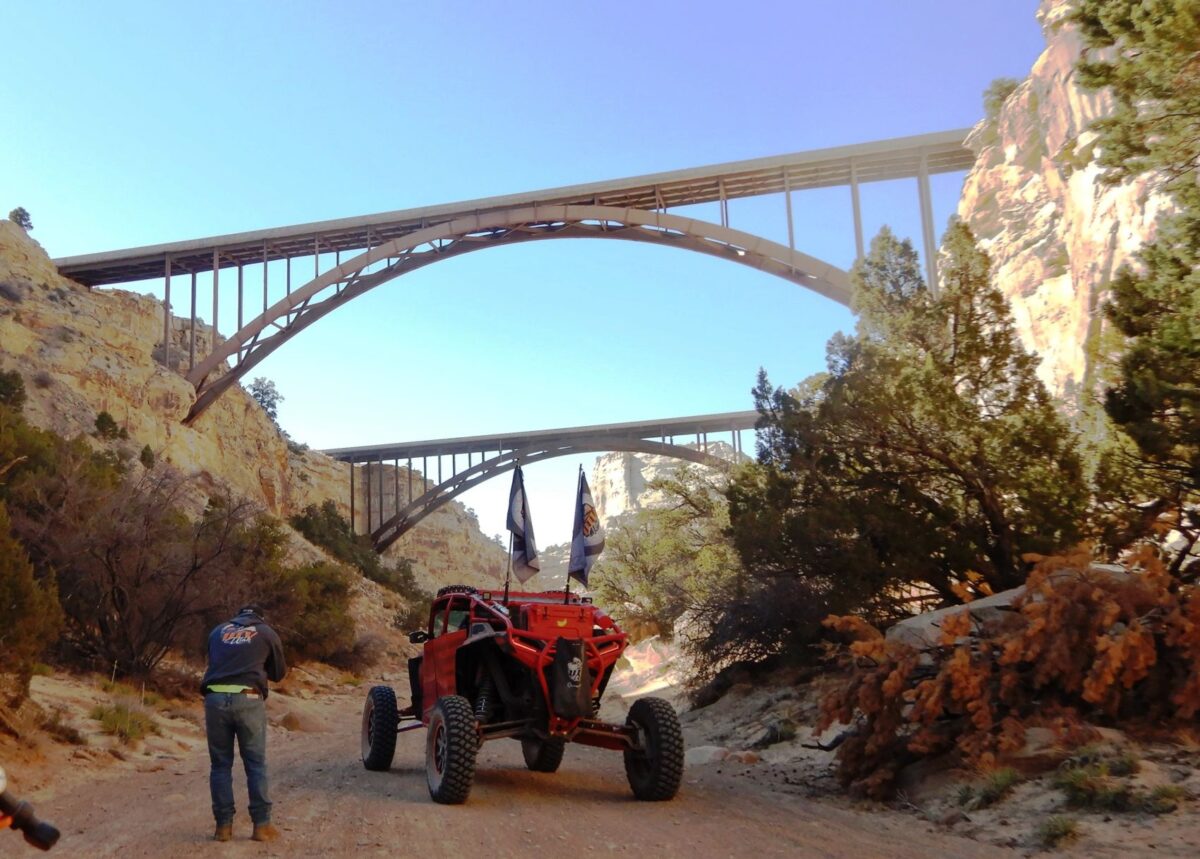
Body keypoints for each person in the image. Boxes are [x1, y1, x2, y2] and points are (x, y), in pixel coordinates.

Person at [201, 603, 287, 843]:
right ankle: (261, 826)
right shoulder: (266, 632)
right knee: (255, 764)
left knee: (220, 765)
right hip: (248, 697)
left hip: (214, 698)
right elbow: (279, 673)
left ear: (238, 616)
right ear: (260, 616)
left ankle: (223, 828)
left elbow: (215, 661)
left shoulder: (217, 631)